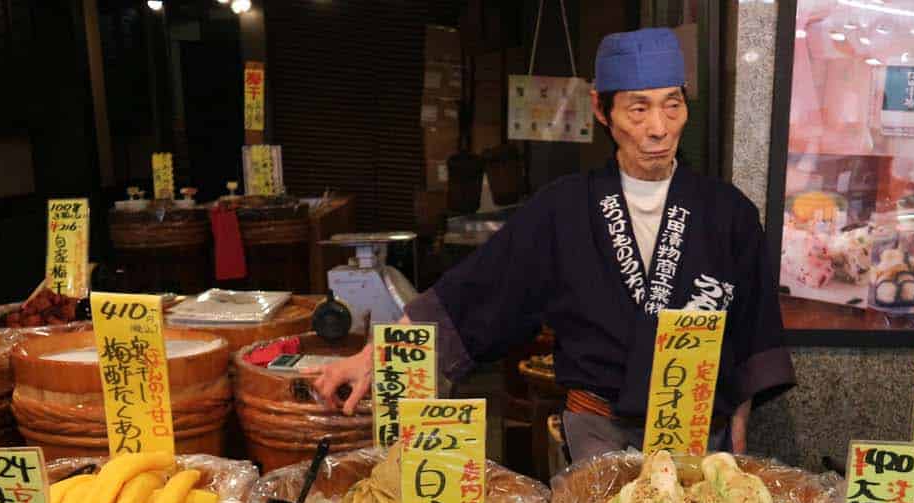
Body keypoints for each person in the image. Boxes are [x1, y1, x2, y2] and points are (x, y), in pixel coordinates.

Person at [312, 27, 794, 460]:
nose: (659, 128)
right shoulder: (563, 208)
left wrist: (739, 425)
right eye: (638, 108)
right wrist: (375, 355)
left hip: (694, 436)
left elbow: (752, 331)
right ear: (602, 110)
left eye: (673, 104)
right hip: (598, 434)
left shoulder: (728, 213)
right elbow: (478, 291)